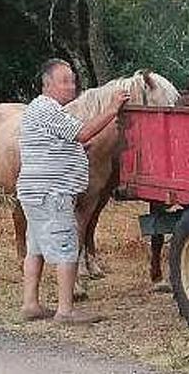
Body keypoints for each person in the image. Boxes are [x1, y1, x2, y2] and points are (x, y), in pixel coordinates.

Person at [18, 58, 129, 324]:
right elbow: (84, 133)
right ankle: (65, 311)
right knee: (67, 248)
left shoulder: (43, 110)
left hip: (35, 193)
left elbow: (63, 143)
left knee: (36, 249)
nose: (72, 86)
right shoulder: (48, 110)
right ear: (47, 85)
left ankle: (30, 304)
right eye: (65, 81)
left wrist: (77, 151)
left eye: (73, 80)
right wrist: (113, 109)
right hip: (52, 194)